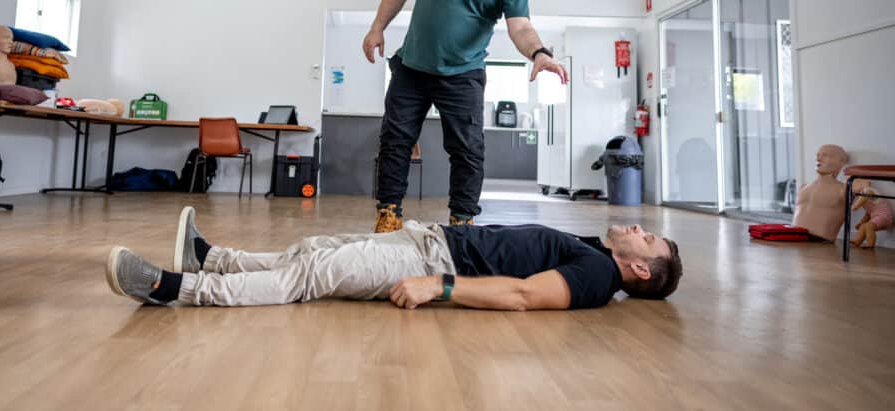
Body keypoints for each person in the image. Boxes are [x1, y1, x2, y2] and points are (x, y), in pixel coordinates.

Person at [362, 0, 568, 232]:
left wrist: (539, 52)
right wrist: (376, 28)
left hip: (462, 74)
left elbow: (520, 26)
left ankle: (462, 220)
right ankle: (388, 213)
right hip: (411, 67)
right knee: (395, 142)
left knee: (467, 151)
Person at [105, 206, 682, 310]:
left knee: (313, 274)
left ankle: (173, 289)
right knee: (313, 248)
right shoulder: (596, 251)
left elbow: (525, 295)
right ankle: (213, 258)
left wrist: (440, 287)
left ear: (638, 270)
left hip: (436, 266)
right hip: (430, 241)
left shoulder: (597, 278)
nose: (638, 229)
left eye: (647, 238)